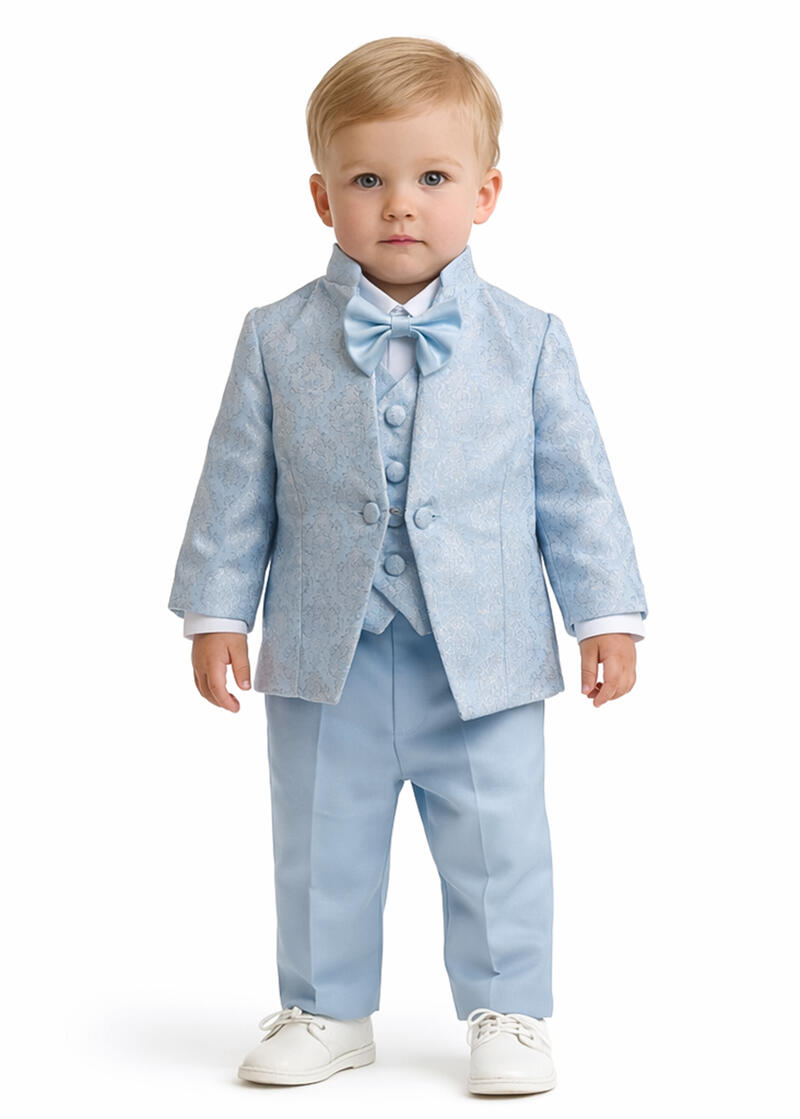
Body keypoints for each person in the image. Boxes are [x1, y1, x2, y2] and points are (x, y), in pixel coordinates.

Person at [167, 35, 648, 1096]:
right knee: (319, 836)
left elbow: (575, 489)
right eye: (367, 181)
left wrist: (605, 613)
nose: (398, 206)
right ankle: (327, 1006)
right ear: (320, 196)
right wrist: (214, 614)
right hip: (324, 649)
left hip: (482, 653)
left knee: (498, 839)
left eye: (431, 178)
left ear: (485, 194)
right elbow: (236, 484)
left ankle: (509, 1009)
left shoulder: (528, 339)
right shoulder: (274, 337)